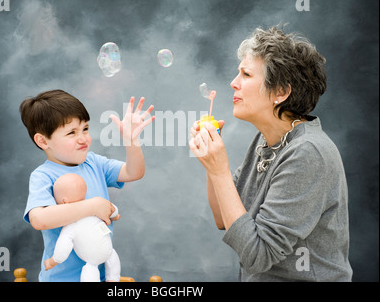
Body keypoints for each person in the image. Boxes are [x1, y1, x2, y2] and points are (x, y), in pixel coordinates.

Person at [189, 26, 352, 281]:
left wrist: (220, 169)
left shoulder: (308, 153)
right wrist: (212, 167)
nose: (234, 83)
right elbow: (224, 218)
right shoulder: (266, 141)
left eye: (245, 74)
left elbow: (257, 256)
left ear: (281, 92)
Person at [20, 89, 154, 281]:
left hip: (99, 275)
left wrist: (131, 140)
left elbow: (134, 172)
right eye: (72, 132)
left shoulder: (94, 163)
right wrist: (92, 206)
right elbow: (39, 219)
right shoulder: (43, 176)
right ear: (43, 141)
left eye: (85, 129)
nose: (83, 138)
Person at [43, 173, 121, 282]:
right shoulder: (95, 208)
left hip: (92, 261)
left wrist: (53, 261)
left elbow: (63, 248)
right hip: (109, 252)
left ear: (64, 201)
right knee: (112, 261)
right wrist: (115, 215)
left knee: (90, 270)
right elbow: (111, 208)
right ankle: (113, 279)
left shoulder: (70, 224)